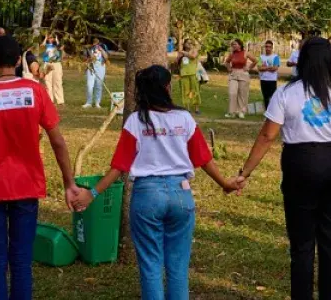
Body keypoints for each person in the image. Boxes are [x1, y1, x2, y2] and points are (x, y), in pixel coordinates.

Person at [90, 65, 241, 300]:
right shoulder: (184, 118)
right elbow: (204, 159)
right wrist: (225, 183)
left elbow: (119, 167)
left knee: (151, 266)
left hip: (147, 197)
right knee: (178, 269)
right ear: (168, 87)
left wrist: (92, 193)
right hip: (182, 196)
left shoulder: (135, 121)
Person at [236, 36, 331, 300]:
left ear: (303, 61)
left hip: (299, 165)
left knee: (302, 242)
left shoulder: (286, 93)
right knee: (330, 237)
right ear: (330, 62)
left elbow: (266, 137)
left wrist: (244, 173)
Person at [0, 35, 88, 300]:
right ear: (19, 60)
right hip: (26, 186)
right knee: (21, 261)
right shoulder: (36, 92)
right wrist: (69, 183)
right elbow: (58, 142)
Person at [225, 40, 252, 118]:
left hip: (243, 74)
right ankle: (231, 112)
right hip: (233, 74)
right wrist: (229, 68)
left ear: (240, 45)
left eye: (235, 44)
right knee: (232, 92)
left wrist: (248, 67)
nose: (233, 45)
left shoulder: (246, 53)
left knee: (242, 94)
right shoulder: (232, 54)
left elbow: (255, 61)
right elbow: (226, 62)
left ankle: (241, 112)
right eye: (232, 44)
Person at [174, 39, 201, 114]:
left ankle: (196, 108)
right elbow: (176, 62)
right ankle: (187, 108)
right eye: (187, 43)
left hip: (193, 74)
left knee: (194, 91)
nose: (189, 44)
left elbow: (193, 56)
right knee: (185, 91)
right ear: (184, 44)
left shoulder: (194, 50)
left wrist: (183, 53)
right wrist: (179, 56)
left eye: (190, 43)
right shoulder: (181, 52)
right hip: (184, 74)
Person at [39, 32, 65, 105]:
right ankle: (50, 100)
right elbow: (41, 46)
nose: (51, 39)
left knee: (58, 82)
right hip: (47, 64)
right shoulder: (45, 46)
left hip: (56, 63)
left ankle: (60, 101)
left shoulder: (57, 46)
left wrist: (57, 40)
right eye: (49, 38)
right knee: (48, 82)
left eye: (52, 37)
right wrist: (45, 38)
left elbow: (60, 47)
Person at [84, 38, 110, 109]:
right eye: (94, 41)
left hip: (100, 67)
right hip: (91, 66)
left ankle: (97, 103)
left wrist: (101, 49)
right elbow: (86, 59)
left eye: (97, 41)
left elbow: (106, 57)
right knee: (89, 85)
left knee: (98, 85)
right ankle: (88, 102)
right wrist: (90, 53)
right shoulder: (89, 48)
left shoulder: (103, 46)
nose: (96, 42)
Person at [257, 40, 282, 106]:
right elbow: (259, 68)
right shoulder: (261, 57)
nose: (267, 48)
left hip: (272, 80)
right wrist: (269, 67)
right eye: (266, 47)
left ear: (272, 48)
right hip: (263, 79)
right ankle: (266, 112)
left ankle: (272, 112)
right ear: (265, 47)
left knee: (272, 97)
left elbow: (275, 68)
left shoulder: (275, 57)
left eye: (269, 47)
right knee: (265, 97)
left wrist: (264, 68)